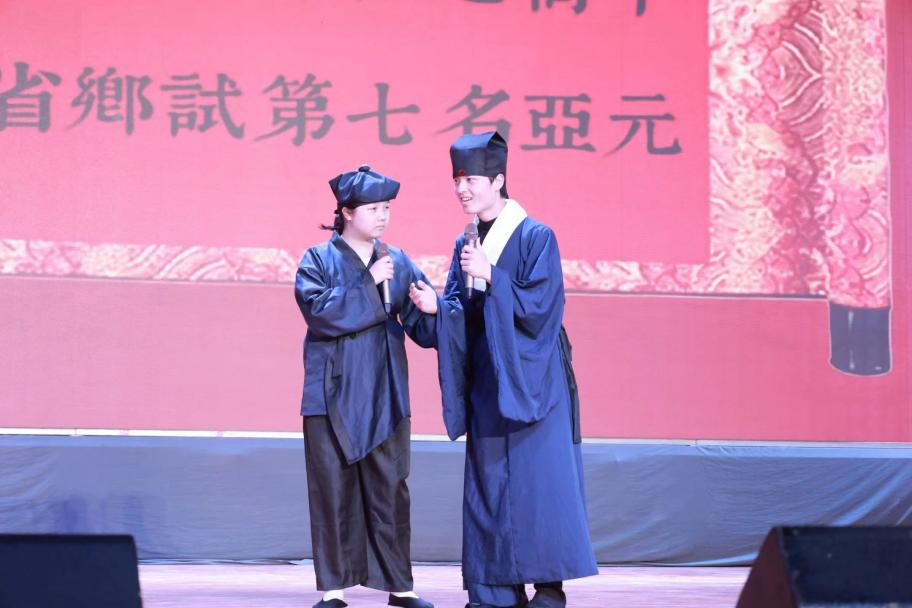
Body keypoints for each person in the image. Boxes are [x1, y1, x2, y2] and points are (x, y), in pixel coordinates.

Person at [409, 132, 597, 608]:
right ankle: (493, 590)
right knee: (489, 483)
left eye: (471, 180)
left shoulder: (536, 236)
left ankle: (548, 587)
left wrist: (493, 275)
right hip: (490, 381)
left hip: (534, 378)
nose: (461, 189)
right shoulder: (466, 241)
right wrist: (437, 307)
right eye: (457, 180)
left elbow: (543, 306)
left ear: (497, 180)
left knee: (540, 482)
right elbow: (462, 309)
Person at [295, 164, 435, 608]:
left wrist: (431, 309)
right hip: (332, 394)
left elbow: (422, 326)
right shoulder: (317, 260)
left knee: (391, 487)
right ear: (347, 212)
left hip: (384, 392)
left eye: (387, 208)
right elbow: (320, 315)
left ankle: (400, 585)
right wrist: (366, 282)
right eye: (374, 209)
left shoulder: (398, 261)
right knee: (331, 488)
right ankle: (334, 588)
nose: (383, 216)